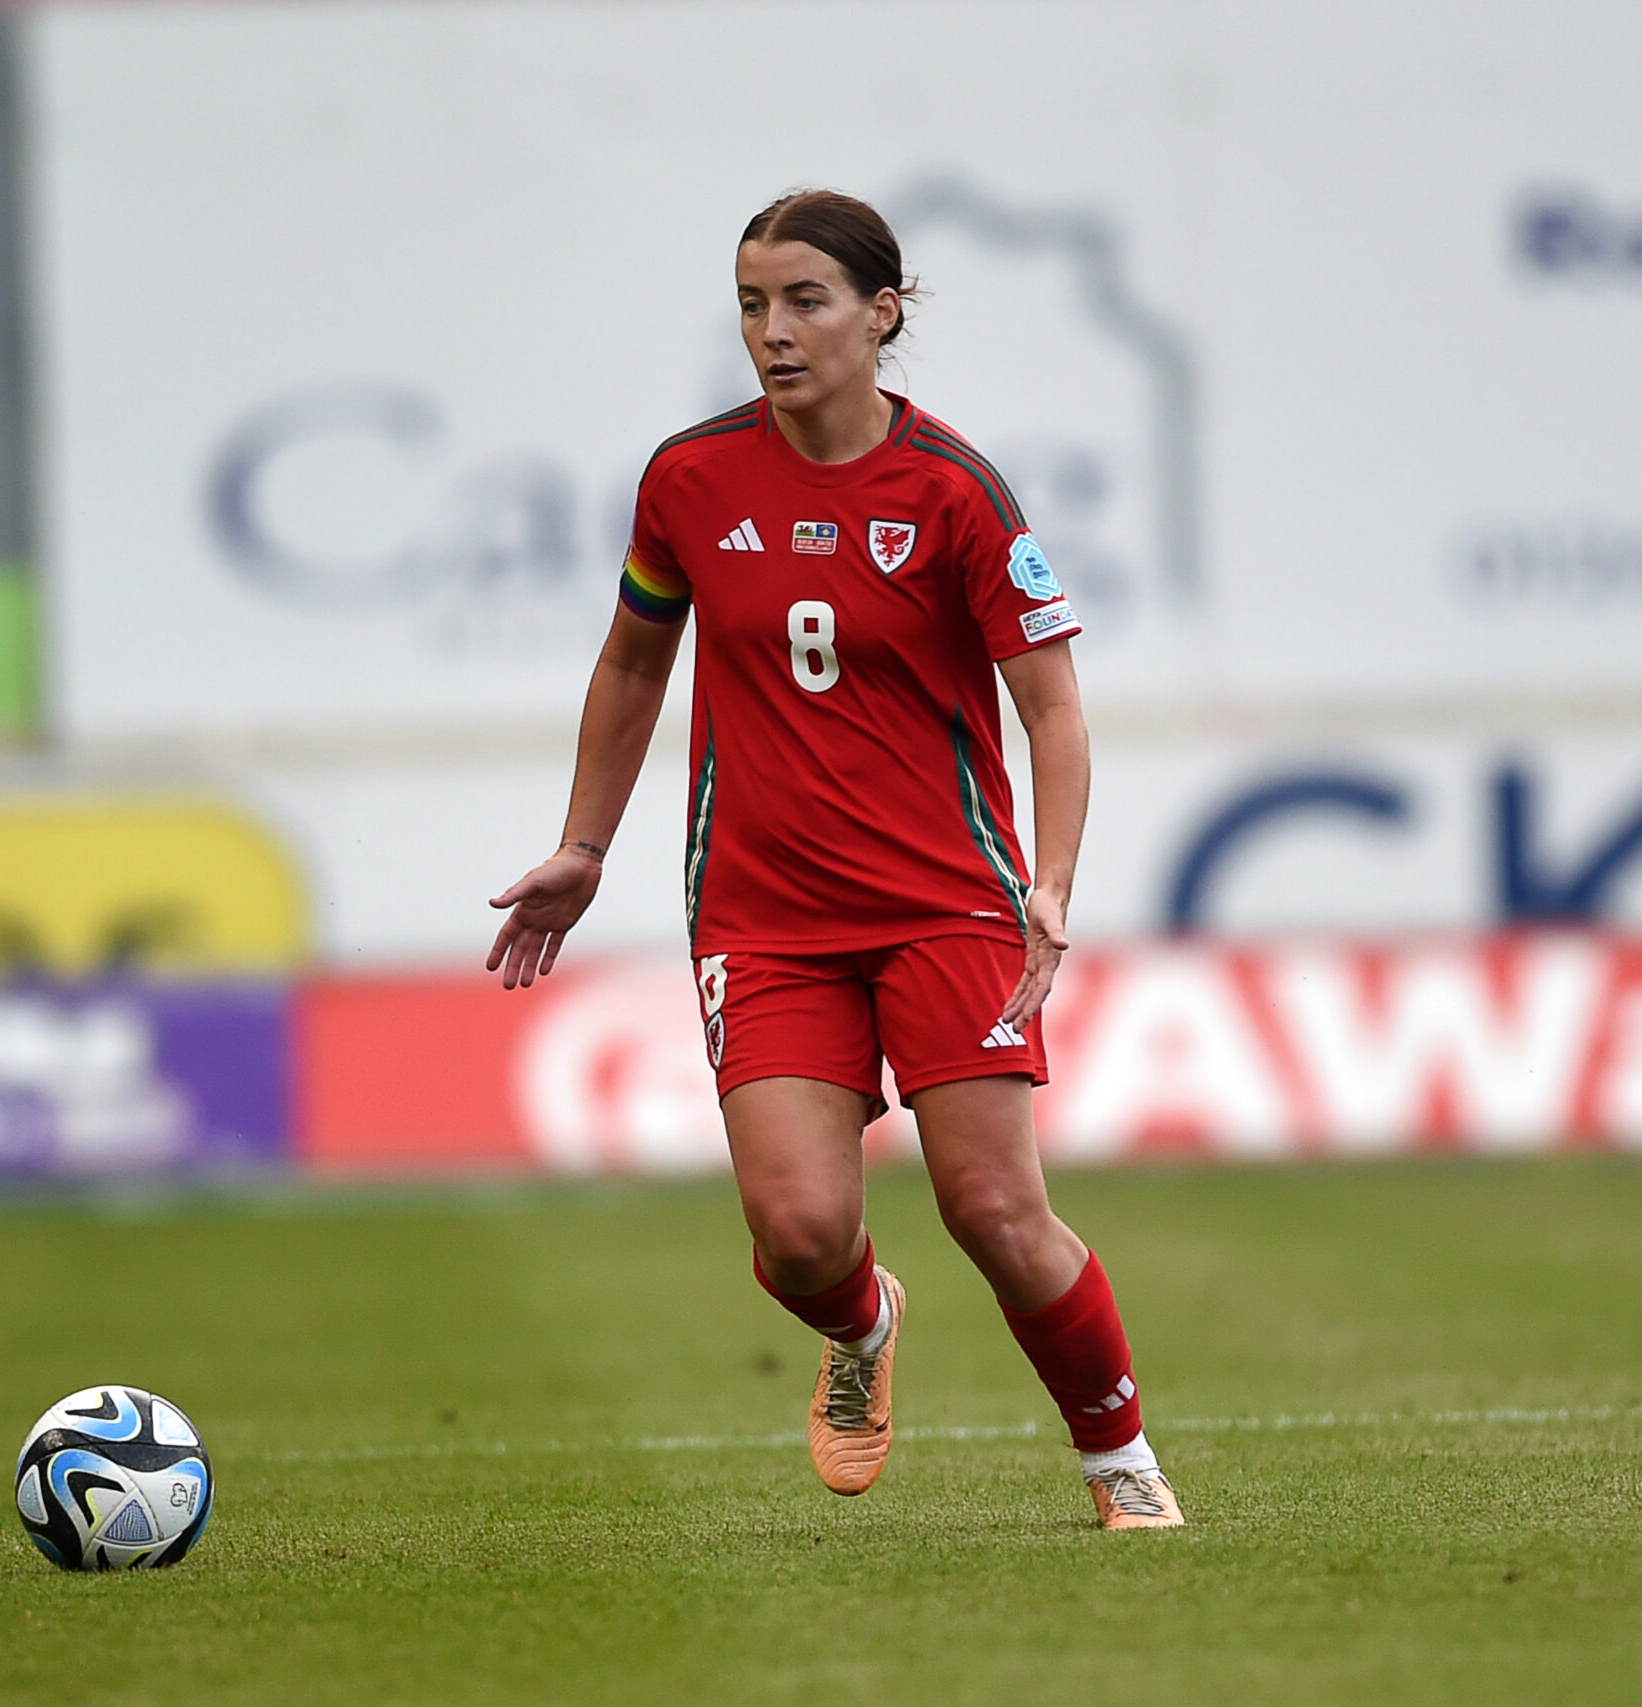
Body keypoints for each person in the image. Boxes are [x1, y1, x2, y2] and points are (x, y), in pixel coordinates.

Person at [486, 189, 1181, 1529]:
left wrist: (1051, 882)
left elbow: (1055, 708)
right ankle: (862, 1325)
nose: (773, 331)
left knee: (993, 1206)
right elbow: (634, 658)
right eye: (753, 304)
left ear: (883, 312)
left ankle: (1117, 1459)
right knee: (799, 1236)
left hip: (945, 902)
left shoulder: (954, 492)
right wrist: (586, 845)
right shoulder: (690, 481)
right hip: (766, 911)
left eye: (804, 301)